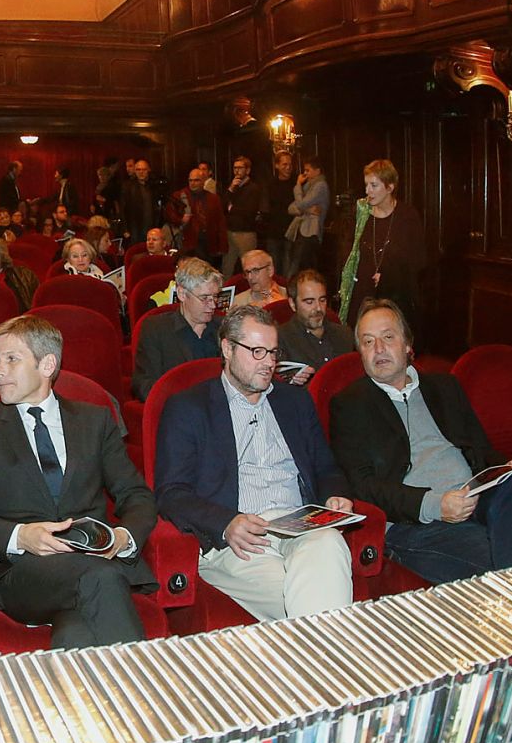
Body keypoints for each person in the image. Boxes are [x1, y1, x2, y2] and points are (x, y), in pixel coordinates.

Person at [0, 315, 157, 648]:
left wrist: (122, 538)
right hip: (22, 572)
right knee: (99, 578)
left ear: (47, 365)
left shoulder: (94, 421)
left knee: (76, 633)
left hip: (94, 561)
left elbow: (136, 495)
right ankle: (144, 680)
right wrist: (20, 536)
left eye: (11, 359)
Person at [153, 306, 355, 621]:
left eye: (273, 353)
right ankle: (335, 647)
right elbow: (170, 493)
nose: (269, 363)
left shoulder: (295, 401)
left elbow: (326, 468)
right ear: (227, 349)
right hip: (237, 538)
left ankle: (321, 647)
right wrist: (226, 522)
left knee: (329, 543)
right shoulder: (189, 407)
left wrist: (334, 495)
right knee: (311, 598)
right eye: (257, 352)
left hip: (300, 524)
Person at [330, 300, 512, 585]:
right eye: (368, 342)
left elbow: (480, 450)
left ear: (407, 344)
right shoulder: (350, 404)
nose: (378, 348)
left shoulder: (445, 387)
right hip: (416, 521)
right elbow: (363, 486)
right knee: (505, 558)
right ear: (360, 353)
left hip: (474, 498)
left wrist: (501, 468)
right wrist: (435, 505)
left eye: (388, 337)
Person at [339, 159, 428, 328]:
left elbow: (418, 260)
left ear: (389, 187)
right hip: (362, 293)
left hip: (395, 296)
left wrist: (389, 275)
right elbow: (347, 251)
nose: (367, 191)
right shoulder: (361, 213)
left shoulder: (407, 216)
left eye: (373, 185)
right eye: (366, 185)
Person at [131, 256, 222, 399]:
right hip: (177, 406)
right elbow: (143, 384)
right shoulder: (156, 329)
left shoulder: (224, 328)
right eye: (204, 298)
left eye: (215, 297)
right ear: (182, 294)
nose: (212, 305)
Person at [277, 269, 355, 385]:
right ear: (293, 304)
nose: (318, 308)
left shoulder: (345, 334)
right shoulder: (280, 338)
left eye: (322, 300)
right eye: (309, 302)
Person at [284, 155, 330, 278]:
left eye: (308, 170)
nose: (305, 173)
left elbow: (301, 204)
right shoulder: (308, 186)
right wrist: (308, 210)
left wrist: (298, 185)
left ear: (317, 171)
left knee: (301, 268)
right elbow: (291, 208)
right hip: (301, 231)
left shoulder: (320, 185)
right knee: (295, 265)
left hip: (310, 233)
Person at [223, 155, 263, 277]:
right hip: (231, 231)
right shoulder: (233, 187)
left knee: (249, 266)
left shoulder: (253, 188)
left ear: (248, 170)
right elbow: (223, 205)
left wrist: (232, 208)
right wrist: (230, 189)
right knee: (227, 266)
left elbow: (248, 211)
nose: (237, 171)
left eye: (240, 168)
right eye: (235, 168)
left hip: (245, 233)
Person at [263, 149, 297, 272]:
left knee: (289, 266)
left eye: (290, 164)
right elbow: (266, 208)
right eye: (284, 164)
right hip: (274, 232)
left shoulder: (297, 184)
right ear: (276, 165)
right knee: (274, 267)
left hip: (291, 231)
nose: (288, 168)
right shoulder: (270, 185)